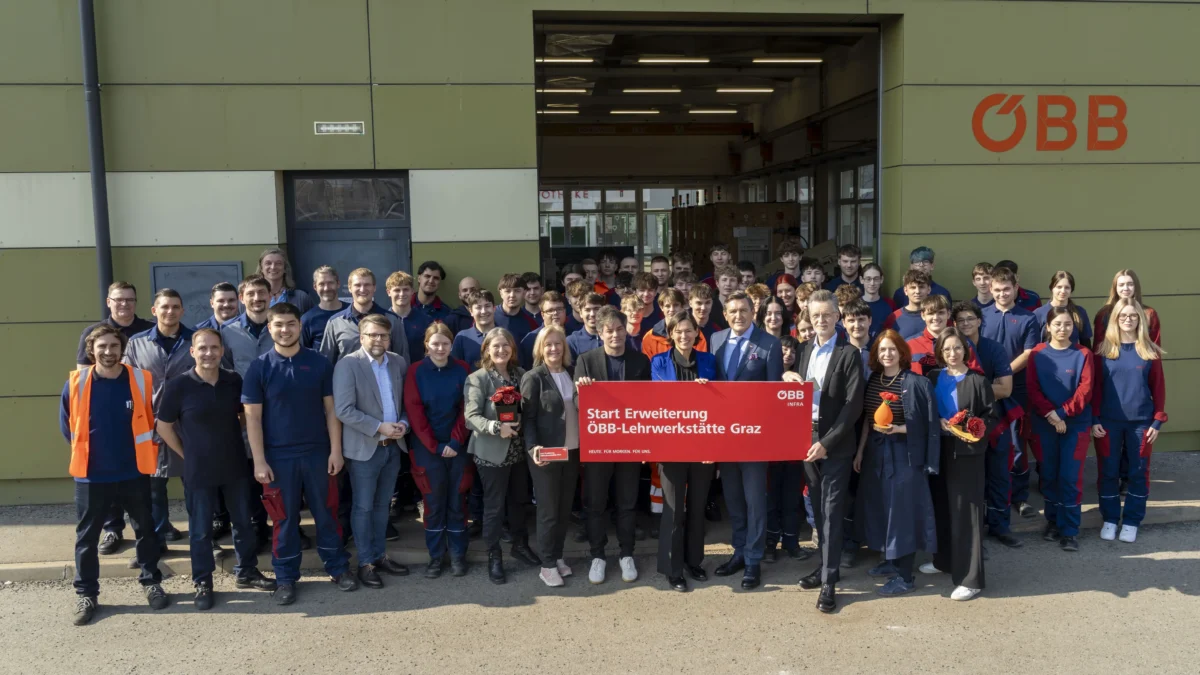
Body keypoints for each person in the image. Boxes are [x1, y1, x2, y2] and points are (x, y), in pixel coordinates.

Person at [244, 303, 357, 604]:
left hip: (318, 454)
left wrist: (336, 451)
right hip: (278, 458)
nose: (285, 329)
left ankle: (338, 568)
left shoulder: (319, 363)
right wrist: (258, 461)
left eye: (291, 323)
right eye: (279, 324)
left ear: (299, 326)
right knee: (283, 519)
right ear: (270, 328)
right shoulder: (259, 367)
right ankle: (285, 578)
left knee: (327, 514)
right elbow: (252, 418)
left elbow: (332, 410)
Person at [156, 328, 277, 610]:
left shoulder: (234, 380)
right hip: (198, 470)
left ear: (222, 351)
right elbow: (163, 426)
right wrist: (186, 453)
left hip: (234, 464)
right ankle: (203, 581)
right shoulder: (179, 385)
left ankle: (246, 571)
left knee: (243, 523)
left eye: (214, 348)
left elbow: (246, 414)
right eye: (203, 348)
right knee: (200, 531)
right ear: (193, 352)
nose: (209, 353)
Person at [61, 325, 169, 625]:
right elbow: (67, 427)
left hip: (134, 472)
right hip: (91, 475)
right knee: (87, 538)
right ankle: (87, 594)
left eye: (113, 346)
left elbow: (149, 419)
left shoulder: (140, 379)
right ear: (91, 350)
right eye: (102, 346)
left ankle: (151, 583)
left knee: (146, 530)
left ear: (122, 349)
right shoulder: (76, 382)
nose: (108, 352)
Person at [792, 290, 866, 613]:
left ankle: (830, 581)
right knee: (818, 512)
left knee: (833, 512)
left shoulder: (849, 354)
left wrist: (827, 443)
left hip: (834, 446)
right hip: (806, 442)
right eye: (815, 315)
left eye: (826, 315)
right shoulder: (804, 349)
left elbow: (853, 408)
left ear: (838, 317)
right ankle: (823, 565)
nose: (820, 320)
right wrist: (785, 375)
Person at [851, 329, 938, 598]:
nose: (886, 354)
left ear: (902, 352)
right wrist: (860, 452)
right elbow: (868, 419)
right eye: (881, 350)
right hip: (876, 454)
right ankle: (890, 560)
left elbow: (928, 425)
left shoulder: (916, 383)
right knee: (881, 510)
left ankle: (905, 576)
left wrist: (899, 430)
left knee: (902, 514)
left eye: (892, 349)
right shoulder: (874, 380)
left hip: (904, 455)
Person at [332, 314, 412, 589]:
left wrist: (403, 423)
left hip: (393, 447)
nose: (379, 340)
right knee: (363, 507)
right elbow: (343, 410)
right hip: (365, 448)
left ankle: (380, 557)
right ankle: (365, 562)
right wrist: (380, 427)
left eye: (383, 335)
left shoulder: (398, 362)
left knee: (382, 506)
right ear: (361, 336)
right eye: (373, 335)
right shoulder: (348, 365)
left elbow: (403, 401)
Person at [710, 291, 784, 591]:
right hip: (725, 437)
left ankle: (754, 560)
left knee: (755, 501)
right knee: (734, 500)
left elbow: (775, 395)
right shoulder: (715, 342)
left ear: (753, 312)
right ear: (725, 314)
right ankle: (738, 551)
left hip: (755, 437)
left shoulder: (770, 344)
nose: (738, 316)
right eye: (732, 311)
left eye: (743, 310)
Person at [575, 306, 652, 585]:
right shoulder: (585, 360)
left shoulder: (641, 361)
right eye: (609, 330)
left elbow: (649, 405)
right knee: (595, 503)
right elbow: (575, 403)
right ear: (600, 332)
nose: (615, 335)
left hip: (630, 445)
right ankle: (597, 556)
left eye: (620, 329)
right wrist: (582, 391)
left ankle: (626, 554)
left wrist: (645, 445)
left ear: (625, 330)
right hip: (598, 446)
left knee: (627, 502)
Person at [465, 328, 541, 584]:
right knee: (494, 507)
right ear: (486, 349)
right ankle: (493, 556)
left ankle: (520, 546)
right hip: (491, 453)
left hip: (520, 451)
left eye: (505, 346)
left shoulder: (521, 375)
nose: (501, 350)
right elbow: (471, 417)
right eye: (495, 346)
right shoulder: (478, 378)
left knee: (519, 502)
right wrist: (497, 427)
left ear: (513, 349)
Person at [924, 328, 995, 601]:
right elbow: (925, 410)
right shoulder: (932, 377)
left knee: (967, 514)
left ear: (965, 350)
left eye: (957, 348)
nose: (952, 354)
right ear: (940, 353)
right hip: (938, 452)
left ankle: (971, 578)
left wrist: (965, 426)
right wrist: (938, 422)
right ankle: (943, 560)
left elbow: (990, 417)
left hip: (967, 455)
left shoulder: (978, 381)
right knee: (941, 507)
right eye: (946, 349)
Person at [650, 311, 718, 592]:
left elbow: (720, 403)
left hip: (703, 445)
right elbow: (658, 399)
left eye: (689, 330)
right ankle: (672, 567)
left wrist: (709, 391)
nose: (684, 335)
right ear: (671, 333)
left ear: (696, 334)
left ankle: (694, 560)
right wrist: (690, 392)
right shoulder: (658, 362)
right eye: (678, 331)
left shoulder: (709, 361)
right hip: (672, 445)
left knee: (697, 506)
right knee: (674, 508)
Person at [123, 289, 195, 552]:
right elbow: (126, 381)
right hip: (149, 425)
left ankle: (201, 536)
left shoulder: (194, 341)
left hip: (186, 424)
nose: (170, 312)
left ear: (182, 310)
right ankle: (158, 537)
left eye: (175, 307)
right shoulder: (136, 343)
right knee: (154, 486)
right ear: (154, 311)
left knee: (194, 482)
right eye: (164, 307)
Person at [1092, 298, 1167, 544]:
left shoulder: (1150, 350)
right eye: (1123, 315)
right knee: (1108, 472)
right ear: (1115, 318)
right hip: (1108, 422)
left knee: (1138, 472)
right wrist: (1094, 418)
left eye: (1133, 316)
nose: (1128, 319)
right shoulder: (1103, 350)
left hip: (1141, 424)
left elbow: (1159, 389)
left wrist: (1157, 421)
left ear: (1140, 320)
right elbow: (1096, 389)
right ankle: (1111, 519)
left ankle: (1132, 520)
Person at [950, 301, 1022, 547]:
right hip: (961, 425)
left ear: (980, 321)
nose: (966, 323)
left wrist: (972, 390)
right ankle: (975, 531)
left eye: (970, 318)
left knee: (1000, 475)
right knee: (972, 480)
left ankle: (1001, 526)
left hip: (995, 422)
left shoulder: (995, 349)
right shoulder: (952, 350)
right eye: (960, 320)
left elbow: (1005, 389)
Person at [404, 323, 473, 578]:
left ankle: (457, 555)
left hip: (458, 446)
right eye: (435, 343)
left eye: (445, 343)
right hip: (426, 448)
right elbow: (414, 410)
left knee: (457, 501)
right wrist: (435, 445)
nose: (440, 348)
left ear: (451, 345)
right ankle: (435, 557)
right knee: (433, 503)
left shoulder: (463, 369)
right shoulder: (415, 371)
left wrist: (455, 442)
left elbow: (467, 407)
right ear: (426, 345)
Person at [1026, 306, 1094, 553]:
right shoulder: (1038, 354)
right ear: (1048, 327)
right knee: (1050, 475)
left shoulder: (1083, 354)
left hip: (1075, 424)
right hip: (1045, 423)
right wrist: (1051, 415)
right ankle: (1053, 523)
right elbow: (1032, 389)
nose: (1062, 329)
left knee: (1070, 477)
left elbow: (1085, 390)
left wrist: (1062, 413)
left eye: (1067, 325)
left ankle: (1070, 531)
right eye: (1058, 324)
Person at [521, 325, 581, 587]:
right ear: (540, 349)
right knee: (548, 510)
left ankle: (557, 556)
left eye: (558, 344)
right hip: (546, 453)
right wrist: (533, 448)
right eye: (548, 345)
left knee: (564, 507)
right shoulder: (533, 377)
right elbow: (528, 418)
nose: (554, 349)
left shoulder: (572, 373)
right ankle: (546, 565)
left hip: (573, 450)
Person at [981, 267, 1040, 519]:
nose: (1002, 293)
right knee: (986, 439)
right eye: (997, 289)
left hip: (1017, 389)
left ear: (1016, 288)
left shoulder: (1028, 318)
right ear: (990, 290)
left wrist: (1003, 374)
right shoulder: (981, 316)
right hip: (986, 389)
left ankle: (1020, 497)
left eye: (1007, 289)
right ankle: (988, 495)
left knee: (1016, 444)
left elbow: (1028, 354)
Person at [319, 268, 409, 366]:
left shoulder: (392, 320)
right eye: (357, 285)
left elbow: (402, 360)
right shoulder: (335, 323)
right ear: (350, 288)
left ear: (374, 287)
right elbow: (325, 364)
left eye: (367, 285)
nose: (362, 289)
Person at [75, 281, 154, 369]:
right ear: (108, 302)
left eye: (130, 300)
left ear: (135, 302)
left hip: (145, 382)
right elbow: (83, 371)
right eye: (119, 300)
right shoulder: (92, 332)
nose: (124, 304)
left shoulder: (152, 330)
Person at [1093, 269, 1162, 347]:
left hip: (1142, 357)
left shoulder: (1149, 314)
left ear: (1136, 287)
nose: (1126, 288)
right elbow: (1097, 348)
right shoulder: (1104, 314)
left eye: (1130, 284)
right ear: (1115, 288)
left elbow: (1155, 347)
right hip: (1111, 357)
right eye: (1121, 285)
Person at [1034, 271, 1092, 349]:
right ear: (1052, 288)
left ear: (1071, 290)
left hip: (1073, 358)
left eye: (1067, 287)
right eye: (1059, 287)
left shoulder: (1080, 312)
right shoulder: (1039, 313)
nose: (1063, 291)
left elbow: (1085, 342)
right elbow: (1033, 343)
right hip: (1045, 358)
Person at [642, 289, 707, 357]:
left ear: (682, 306)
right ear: (661, 307)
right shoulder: (650, 337)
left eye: (676, 305)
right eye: (667, 306)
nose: (672, 309)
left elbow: (701, 361)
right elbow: (650, 365)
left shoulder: (695, 334)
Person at [386, 270, 432, 362]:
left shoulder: (425, 321)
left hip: (417, 373)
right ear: (389, 292)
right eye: (397, 290)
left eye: (405, 289)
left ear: (412, 291)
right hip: (389, 373)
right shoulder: (382, 321)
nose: (402, 294)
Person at [255, 247, 314, 314]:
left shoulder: (301, 297)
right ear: (261, 268)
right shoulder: (250, 298)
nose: (273, 267)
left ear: (285, 268)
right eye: (268, 263)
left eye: (278, 263)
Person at [520, 291, 568, 369]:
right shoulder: (531, 339)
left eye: (559, 309)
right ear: (542, 315)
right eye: (550, 310)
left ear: (565, 311)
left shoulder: (574, 336)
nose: (555, 313)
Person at [299, 266, 345, 351]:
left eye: (330, 283)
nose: (326, 288)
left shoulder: (352, 312)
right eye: (322, 284)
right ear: (315, 286)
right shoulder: (307, 320)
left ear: (338, 283)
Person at [906, 295, 951, 374]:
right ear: (923, 315)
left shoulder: (962, 343)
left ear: (948, 314)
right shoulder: (909, 344)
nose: (936, 317)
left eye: (941, 313)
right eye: (931, 313)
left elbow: (974, 377)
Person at [451, 288, 497, 366]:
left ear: (494, 308)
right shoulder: (462, 337)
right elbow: (455, 368)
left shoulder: (505, 335)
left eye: (487, 306)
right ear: (471, 312)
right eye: (478, 307)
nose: (483, 311)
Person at [883, 269, 931, 340]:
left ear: (928, 290)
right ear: (905, 290)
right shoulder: (894, 318)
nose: (917, 291)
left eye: (921, 287)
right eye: (913, 287)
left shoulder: (936, 316)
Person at [495, 273, 539, 345]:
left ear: (524, 293)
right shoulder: (489, 316)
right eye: (508, 291)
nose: (512, 295)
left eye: (517, 291)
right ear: (501, 293)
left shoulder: (531, 323)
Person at [566, 292, 606, 358]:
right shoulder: (572, 342)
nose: (592, 314)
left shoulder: (613, 337)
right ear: (581, 313)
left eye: (596, 309)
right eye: (587, 310)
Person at [413, 261, 453, 326]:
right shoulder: (406, 305)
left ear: (439, 282)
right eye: (427, 276)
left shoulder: (447, 313)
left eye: (436, 278)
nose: (431, 281)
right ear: (419, 278)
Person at [860, 264, 895, 337]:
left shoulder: (889, 305)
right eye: (868, 279)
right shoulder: (854, 305)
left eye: (876, 279)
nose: (872, 283)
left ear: (881, 280)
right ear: (861, 280)